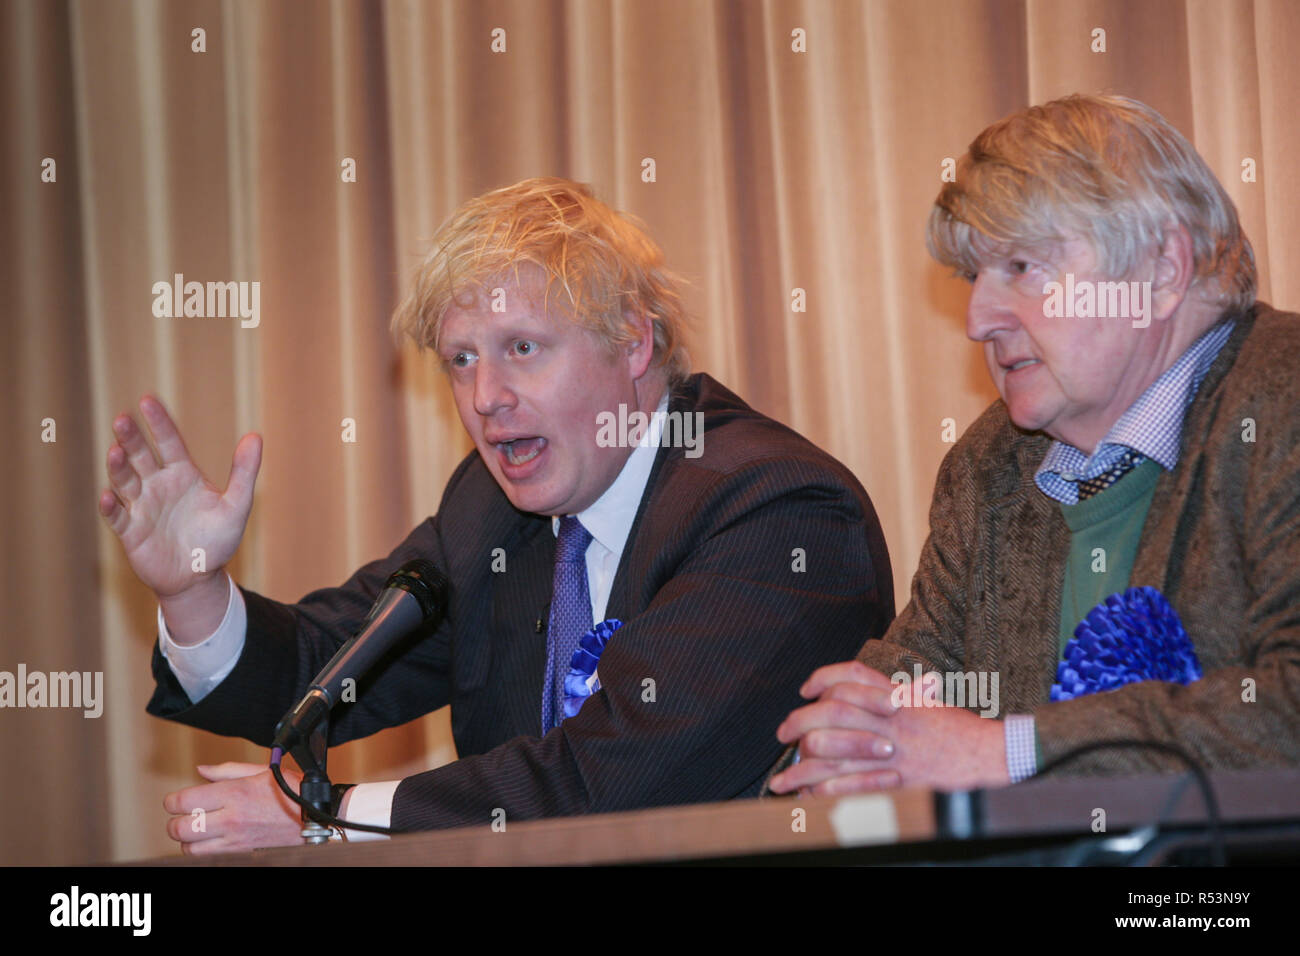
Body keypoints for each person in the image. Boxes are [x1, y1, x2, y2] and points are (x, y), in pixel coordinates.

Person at [99, 177, 894, 852]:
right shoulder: (491, 510)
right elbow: (327, 669)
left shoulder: (777, 511)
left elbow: (613, 788)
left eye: (522, 348)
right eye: (462, 359)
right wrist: (194, 590)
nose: (486, 401)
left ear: (635, 345)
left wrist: (323, 816)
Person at [770, 93, 1300, 797]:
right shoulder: (993, 466)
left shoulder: (1283, 398)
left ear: (1164, 270)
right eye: (974, 277)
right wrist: (838, 752)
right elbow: (903, 690)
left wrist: (1010, 752)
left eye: (1022, 268)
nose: (978, 320)